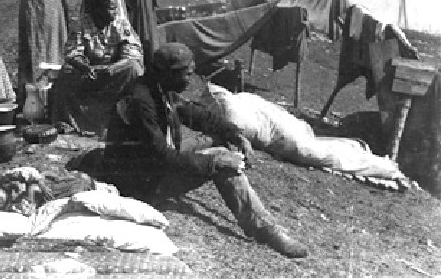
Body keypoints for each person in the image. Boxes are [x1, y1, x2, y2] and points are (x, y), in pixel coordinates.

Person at [100, 43, 308, 258]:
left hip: (145, 168)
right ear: (169, 73)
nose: (190, 79)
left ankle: (256, 214)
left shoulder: (157, 87)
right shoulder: (142, 101)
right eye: (187, 74)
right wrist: (214, 163)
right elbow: (161, 156)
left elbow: (196, 115)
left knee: (217, 142)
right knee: (220, 158)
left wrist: (234, 134)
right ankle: (265, 229)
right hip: (137, 185)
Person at [51, 0, 144, 136]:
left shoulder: (121, 24)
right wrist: (84, 67)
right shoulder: (82, 24)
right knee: (67, 71)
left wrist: (113, 68)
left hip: (114, 71)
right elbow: (72, 52)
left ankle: (129, 118)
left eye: (115, 8)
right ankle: (70, 121)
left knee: (134, 68)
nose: (114, 12)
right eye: (110, 8)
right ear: (97, 9)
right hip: (89, 72)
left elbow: (132, 53)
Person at [0, 166, 96, 216]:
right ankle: (84, 186)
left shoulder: (6, 178)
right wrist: (31, 191)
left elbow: (29, 171)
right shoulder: (10, 207)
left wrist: (39, 182)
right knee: (76, 189)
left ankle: (83, 181)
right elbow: (27, 210)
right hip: (46, 198)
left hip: (47, 183)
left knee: (74, 179)